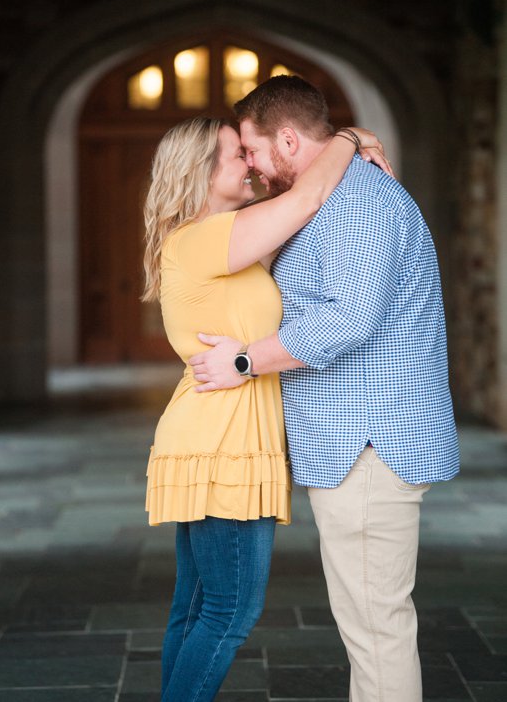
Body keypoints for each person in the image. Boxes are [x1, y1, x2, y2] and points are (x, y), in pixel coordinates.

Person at [188, 75, 460, 702]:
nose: (251, 167)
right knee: (370, 624)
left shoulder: (357, 203)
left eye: (252, 150)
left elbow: (350, 319)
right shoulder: (337, 192)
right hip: (356, 443)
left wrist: (243, 362)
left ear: (287, 139)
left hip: (369, 443)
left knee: (376, 628)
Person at [141, 115, 389, 702]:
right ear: (200, 173)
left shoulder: (222, 238)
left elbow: (302, 199)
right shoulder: (203, 240)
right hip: (223, 439)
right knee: (229, 612)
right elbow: (308, 197)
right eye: (236, 155)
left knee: (199, 605)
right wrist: (347, 140)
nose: (251, 163)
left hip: (214, 431)